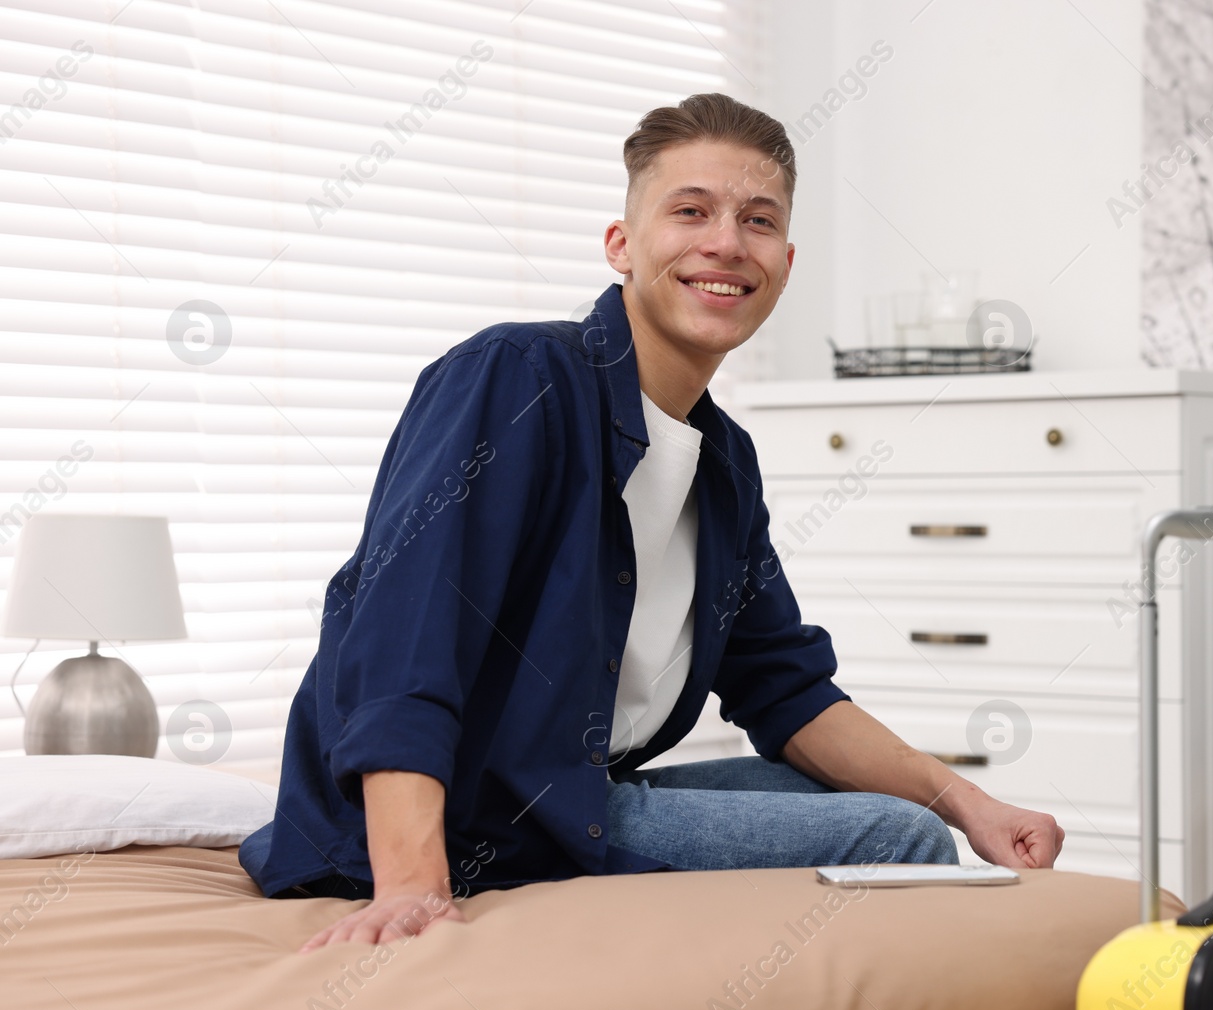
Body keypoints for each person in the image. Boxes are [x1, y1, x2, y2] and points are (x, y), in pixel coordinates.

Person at [240, 93, 1065, 952]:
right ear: (621, 245)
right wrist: (411, 886)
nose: (725, 242)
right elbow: (409, 641)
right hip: (482, 828)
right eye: (691, 211)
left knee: (909, 814)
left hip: (577, 798)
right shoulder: (515, 380)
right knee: (900, 843)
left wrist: (969, 802)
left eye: (756, 219)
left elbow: (785, 688)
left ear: (783, 262)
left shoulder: (725, 464)